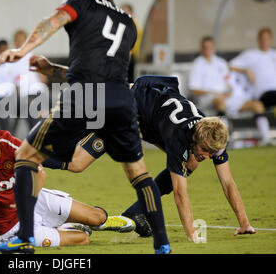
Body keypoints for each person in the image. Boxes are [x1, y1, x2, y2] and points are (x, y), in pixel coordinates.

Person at [0, 0, 171, 254]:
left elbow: (53, 21)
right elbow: (102, 69)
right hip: (121, 100)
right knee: (140, 175)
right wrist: (51, 70)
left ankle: (24, 237)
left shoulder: (80, 4)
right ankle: (162, 244)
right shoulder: (128, 24)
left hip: (84, 95)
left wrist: (23, 51)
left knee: (25, 157)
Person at [32, 68, 256, 240]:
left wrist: (244, 223)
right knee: (76, 163)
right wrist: (192, 235)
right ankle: (27, 157)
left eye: (211, 152)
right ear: (195, 137)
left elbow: (228, 183)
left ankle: (134, 214)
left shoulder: (213, 135)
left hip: (145, 110)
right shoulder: (180, 136)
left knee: (190, 164)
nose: (208, 155)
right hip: (122, 113)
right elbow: (180, 195)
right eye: (205, 150)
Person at [0, 119, 134, 250]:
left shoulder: (7, 142)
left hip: (34, 200)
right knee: (82, 239)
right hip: (9, 229)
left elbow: (38, 169)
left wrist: (29, 198)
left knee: (97, 217)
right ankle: (66, 226)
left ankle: (103, 221)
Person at [229, 27, 276, 110]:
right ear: (258, 39)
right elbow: (229, 65)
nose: (264, 41)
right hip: (263, 94)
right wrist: (246, 70)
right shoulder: (251, 54)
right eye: (262, 39)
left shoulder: (274, 54)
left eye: (267, 39)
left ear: (271, 40)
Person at [188, 36, 230, 119]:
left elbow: (228, 83)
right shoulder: (197, 64)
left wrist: (228, 94)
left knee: (255, 105)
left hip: (223, 96)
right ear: (202, 48)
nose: (208, 49)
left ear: (214, 47)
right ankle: (224, 128)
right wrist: (213, 93)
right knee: (220, 103)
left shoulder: (221, 63)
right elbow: (194, 89)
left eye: (210, 47)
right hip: (205, 98)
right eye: (205, 47)